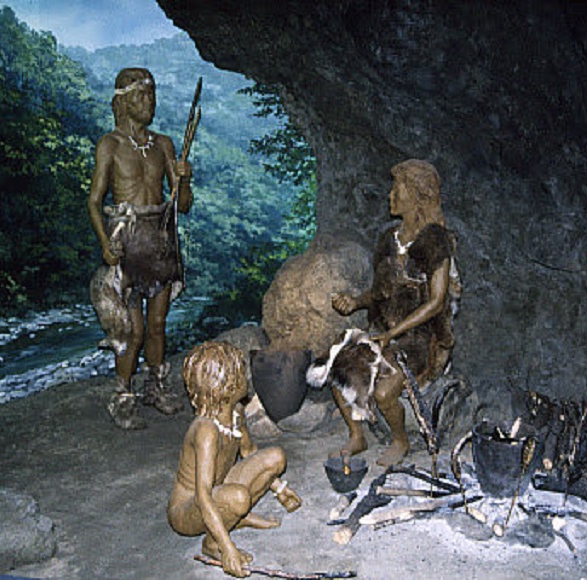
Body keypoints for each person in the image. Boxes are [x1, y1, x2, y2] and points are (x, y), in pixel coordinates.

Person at [330, 159, 458, 467]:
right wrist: (356, 302)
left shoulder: (435, 240)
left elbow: (437, 302)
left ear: (415, 195)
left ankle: (400, 440)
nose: (390, 195)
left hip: (418, 337)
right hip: (383, 329)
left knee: (386, 391)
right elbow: (381, 292)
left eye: (396, 188)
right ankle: (357, 435)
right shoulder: (388, 238)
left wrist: (392, 334)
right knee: (336, 367)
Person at [88, 67, 193, 429]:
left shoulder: (163, 144)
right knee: (130, 330)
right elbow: (94, 201)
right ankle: (123, 394)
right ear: (124, 101)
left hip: (161, 241)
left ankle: (156, 386)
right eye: (142, 96)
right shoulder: (110, 145)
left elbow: (182, 206)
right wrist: (106, 245)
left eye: (152, 95)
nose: (149, 103)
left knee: (158, 324)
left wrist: (184, 179)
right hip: (128, 242)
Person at [168, 341, 302, 578]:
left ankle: (238, 517)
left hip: (219, 489)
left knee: (275, 457)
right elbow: (203, 495)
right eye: (241, 371)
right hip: (187, 510)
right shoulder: (206, 431)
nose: (246, 376)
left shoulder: (236, 412)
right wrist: (227, 547)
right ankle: (212, 543)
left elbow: (250, 452)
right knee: (238, 497)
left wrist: (279, 488)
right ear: (226, 385)